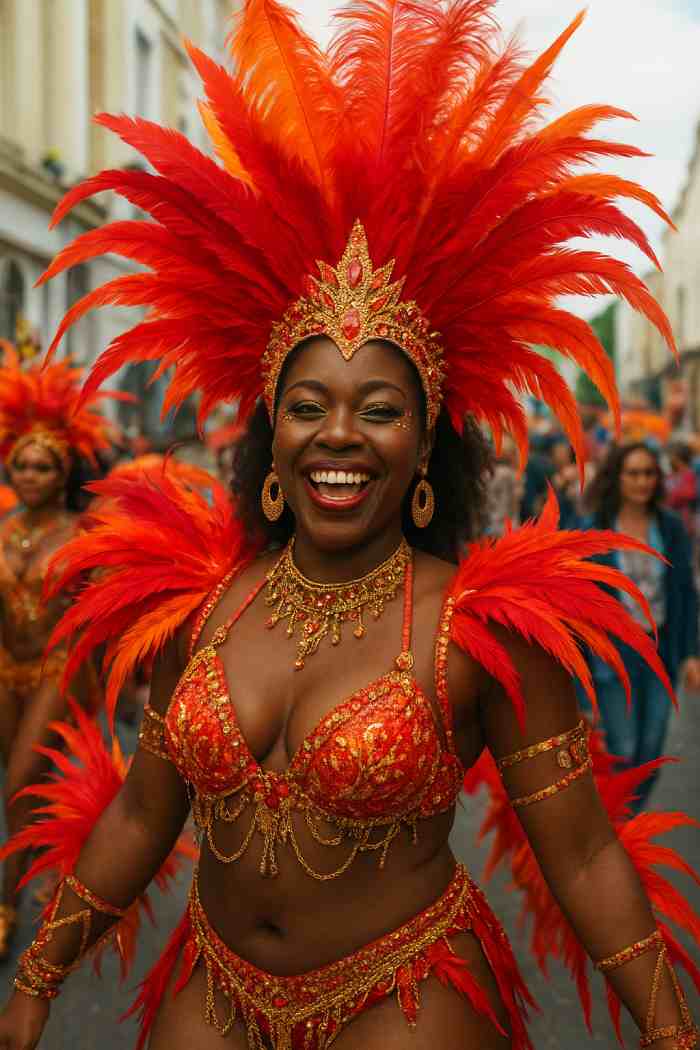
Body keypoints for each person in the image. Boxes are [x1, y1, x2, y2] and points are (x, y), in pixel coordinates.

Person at [0, 3, 697, 1049]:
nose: (340, 437)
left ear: (425, 447)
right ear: (269, 437)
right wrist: (39, 974)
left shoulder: (481, 626)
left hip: (406, 997)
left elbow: (587, 854)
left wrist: (670, 1027)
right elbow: (146, 813)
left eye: (379, 409)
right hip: (213, 989)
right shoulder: (204, 602)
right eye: (308, 405)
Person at [0, 348, 117, 957]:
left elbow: (102, 611)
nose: (28, 476)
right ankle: (53, 872)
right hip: (5, 670)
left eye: (43, 467)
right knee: (28, 785)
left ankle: (10, 903)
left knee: (21, 781)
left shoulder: (82, 534)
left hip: (58, 669)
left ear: (63, 471)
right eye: (21, 465)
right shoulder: (0, 530)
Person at [582, 442, 700, 809]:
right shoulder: (594, 529)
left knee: (649, 756)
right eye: (633, 473)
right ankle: (620, 832)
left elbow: (685, 592)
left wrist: (692, 654)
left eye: (649, 473)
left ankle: (624, 822)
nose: (642, 481)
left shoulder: (670, 527)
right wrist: (579, 682)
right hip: (612, 657)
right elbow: (576, 604)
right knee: (624, 750)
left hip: (659, 653)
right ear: (617, 477)